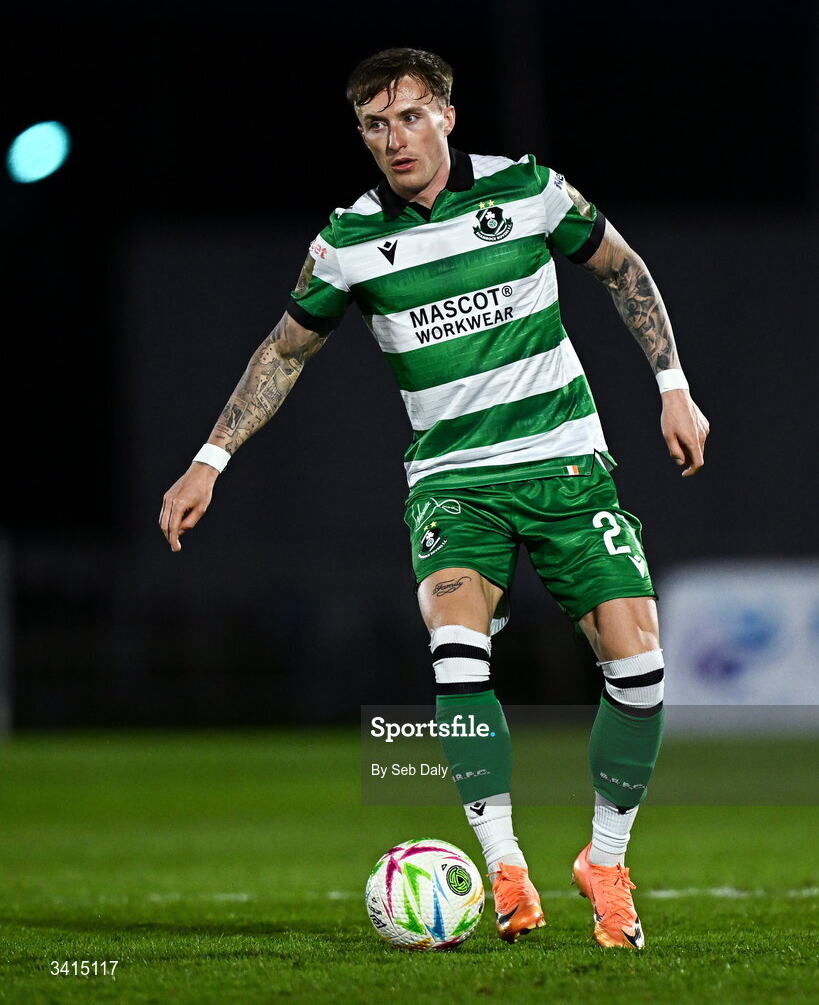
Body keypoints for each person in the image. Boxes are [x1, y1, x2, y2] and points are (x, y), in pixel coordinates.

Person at [160, 47, 709, 950]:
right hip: (455, 484)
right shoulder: (346, 244)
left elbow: (621, 268)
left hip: (566, 465)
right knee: (457, 653)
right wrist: (211, 458)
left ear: (448, 115)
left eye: (410, 117)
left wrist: (673, 384)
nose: (394, 140)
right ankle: (504, 866)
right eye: (374, 126)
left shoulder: (529, 191)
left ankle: (605, 861)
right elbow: (284, 352)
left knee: (639, 670)